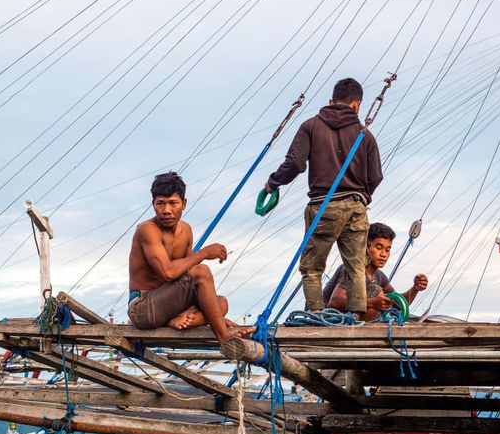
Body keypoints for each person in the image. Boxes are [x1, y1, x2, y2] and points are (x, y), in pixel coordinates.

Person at [263, 77, 383, 319]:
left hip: (323, 205)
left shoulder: (311, 126)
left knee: (312, 267)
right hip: (356, 207)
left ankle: (316, 314)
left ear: (331, 101)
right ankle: (355, 318)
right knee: (356, 266)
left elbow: (295, 164)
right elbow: (376, 176)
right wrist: (361, 197)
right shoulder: (365, 135)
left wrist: (272, 183)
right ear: (356, 105)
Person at [128, 172, 253, 344]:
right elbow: (168, 273)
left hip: (169, 305)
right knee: (201, 271)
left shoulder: (186, 230)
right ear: (153, 205)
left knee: (221, 304)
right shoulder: (147, 229)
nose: (166, 210)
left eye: (173, 203)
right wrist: (204, 253)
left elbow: (186, 279)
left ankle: (180, 320)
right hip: (143, 308)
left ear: (184, 204)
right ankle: (225, 338)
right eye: (160, 204)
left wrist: (215, 316)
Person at [324, 222, 429, 321]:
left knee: (383, 297)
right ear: (365, 247)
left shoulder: (380, 276)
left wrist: (415, 289)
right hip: (331, 321)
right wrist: (372, 303)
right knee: (375, 290)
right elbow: (335, 302)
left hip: (357, 324)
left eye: (387, 250)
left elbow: (397, 304)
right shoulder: (353, 269)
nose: (383, 254)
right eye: (379, 248)